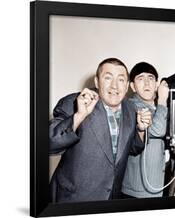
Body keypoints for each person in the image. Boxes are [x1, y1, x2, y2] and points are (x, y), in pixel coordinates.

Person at [49, 58, 152, 203]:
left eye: (121, 80)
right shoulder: (74, 102)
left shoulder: (130, 108)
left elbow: (132, 148)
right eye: (108, 78)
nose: (115, 86)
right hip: (73, 200)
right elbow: (46, 144)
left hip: (111, 200)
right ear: (97, 82)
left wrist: (141, 130)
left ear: (127, 85)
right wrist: (79, 116)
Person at [121, 62, 169, 198]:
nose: (147, 83)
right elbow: (158, 130)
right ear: (132, 86)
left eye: (151, 78)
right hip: (136, 191)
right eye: (141, 79)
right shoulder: (131, 106)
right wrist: (163, 100)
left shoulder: (157, 108)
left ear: (156, 84)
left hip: (156, 186)